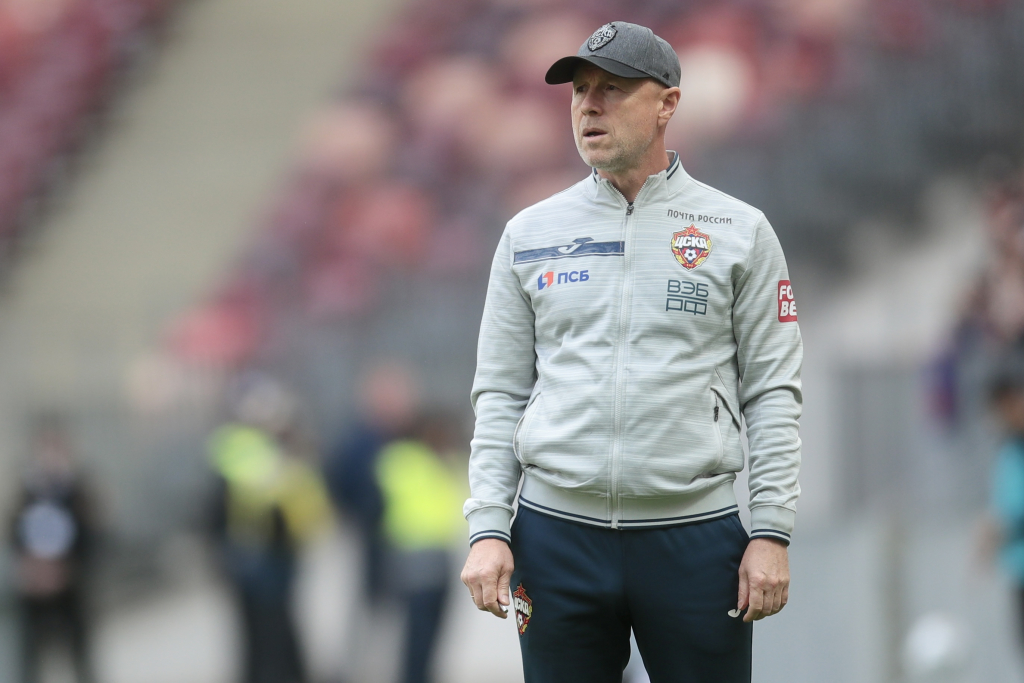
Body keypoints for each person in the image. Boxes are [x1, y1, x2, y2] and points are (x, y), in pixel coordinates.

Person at [460, 21, 803, 683]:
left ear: (667, 104)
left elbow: (772, 392)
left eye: (612, 90)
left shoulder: (741, 232)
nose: (589, 106)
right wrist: (489, 528)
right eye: (580, 91)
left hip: (695, 538)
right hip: (555, 537)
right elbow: (500, 393)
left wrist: (770, 530)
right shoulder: (528, 234)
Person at [208, 375, 332, 683]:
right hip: (255, 551)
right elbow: (260, 488)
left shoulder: (282, 444)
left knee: (277, 626)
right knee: (263, 630)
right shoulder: (243, 443)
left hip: (278, 549)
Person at [375, 412, 465, 683]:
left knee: (433, 629)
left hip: (439, 553)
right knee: (418, 629)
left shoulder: (443, 461)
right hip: (412, 553)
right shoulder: (403, 458)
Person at [10, 414, 97, 683]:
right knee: (30, 657)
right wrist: (32, 570)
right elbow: (15, 533)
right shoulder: (27, 490)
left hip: (70, 583)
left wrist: (71, 568)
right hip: (36, 587)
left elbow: (91, 535)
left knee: (79, 653)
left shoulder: (76, 489)